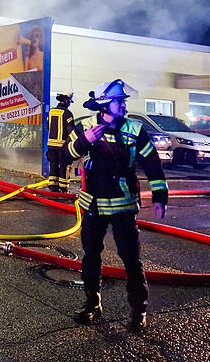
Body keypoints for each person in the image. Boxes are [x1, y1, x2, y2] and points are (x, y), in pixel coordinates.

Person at [65, 79, 168, 332]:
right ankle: (92, 304)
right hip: (93, 206)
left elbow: (152, 164)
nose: (123, 105)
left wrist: (160, 197)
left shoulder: (135, 129)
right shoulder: (86, 127)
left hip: (124, 207)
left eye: (123, 101)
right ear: (104, 104)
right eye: (119, 101)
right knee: (91, 256)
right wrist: (84, 141)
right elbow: (62, 155)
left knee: (132, 260)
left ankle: (138, 311)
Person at [46, 92, 75, 192]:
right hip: (63, 146)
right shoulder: (67, 113)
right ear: (66, 101)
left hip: (51, 145)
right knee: (64, 166)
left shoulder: (51, 112)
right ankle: (63, 188)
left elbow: (47, 127)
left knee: (53, 165)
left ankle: (53, 187)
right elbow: (71, 131)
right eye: (69, 102)